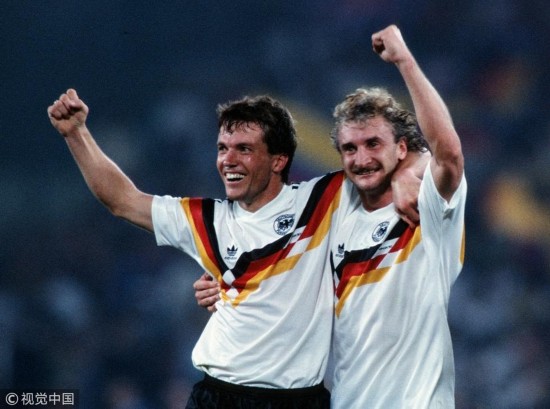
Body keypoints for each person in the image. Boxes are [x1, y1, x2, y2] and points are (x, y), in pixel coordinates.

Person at [48, 87, 423, 408]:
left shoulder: (324, 199)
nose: (228, 160)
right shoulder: (207, 220)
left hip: (300, 399)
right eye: (222, 148)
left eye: (244, 149)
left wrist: (406, 173)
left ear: (278, 160)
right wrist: (76, 134)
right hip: (218, 395)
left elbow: (419, 155)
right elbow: (123, 200)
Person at [195, 25, 466, 408]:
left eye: (373, 144)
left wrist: (404, 61)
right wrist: (224, 283)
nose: (361, 157)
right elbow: (274, 272)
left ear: (402, 148)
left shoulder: (426, 208)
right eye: (349, 148)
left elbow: (448, 154)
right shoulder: (331, 219)